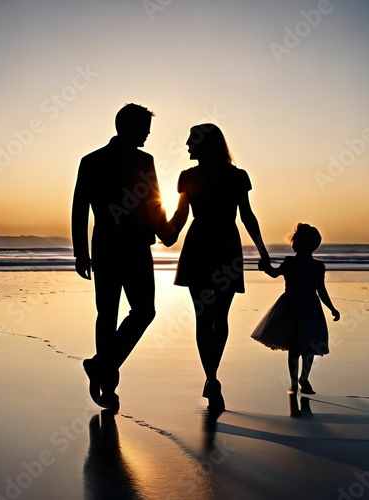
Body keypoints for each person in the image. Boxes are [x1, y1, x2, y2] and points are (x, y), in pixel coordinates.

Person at [72, 103, 176, 410]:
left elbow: (80, 209)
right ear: (128, 127)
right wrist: (167, 232)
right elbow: (153, 204)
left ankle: (103, 369)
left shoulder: (92, 160)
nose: (147, 135)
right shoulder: (140, 161)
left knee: (110, 315)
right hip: (130, 246)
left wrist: (81, 252)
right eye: (144, 129)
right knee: (141, 311)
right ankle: (106, 377)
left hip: (106, 245)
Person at [171, 123, 270, 414]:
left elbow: (180, 216)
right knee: (218, 318)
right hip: (225, 244)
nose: (187, 146)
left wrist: (167, 234)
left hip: (200, 245)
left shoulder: (190, 176)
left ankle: (211, 378)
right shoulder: (236, 176)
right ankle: (212, 378)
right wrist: (263, 252)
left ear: (204, 144)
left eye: (192, 141)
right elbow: (247, 216)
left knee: (205, 317)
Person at [251, 223, 340, 395]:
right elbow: (275, 273)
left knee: (305, 345)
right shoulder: (298, 263)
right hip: (297, 307)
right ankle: (297, 380)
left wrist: (332, 308)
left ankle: (301, 379)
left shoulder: (313, 266)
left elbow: (321, 290)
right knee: (299, 346)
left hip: (302, 307)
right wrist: (265, 267)